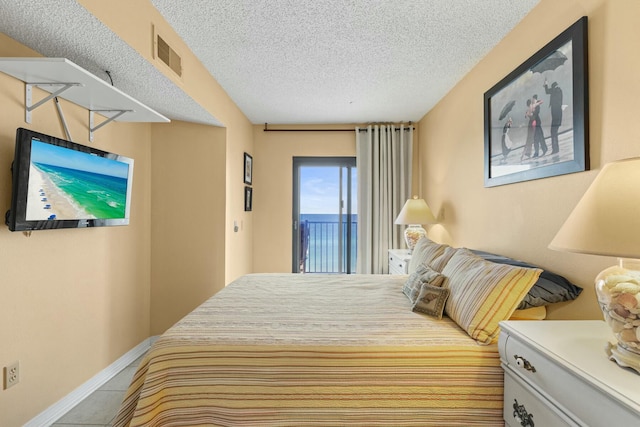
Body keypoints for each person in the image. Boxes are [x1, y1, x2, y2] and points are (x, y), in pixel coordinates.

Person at [544, 81, 563, 154]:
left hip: (556, 116)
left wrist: (546, 84)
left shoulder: (556, 90)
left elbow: (547, 91)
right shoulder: (558, 91)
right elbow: (548, 91)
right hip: (557, 116)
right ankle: (555, 149)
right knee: (554, 132)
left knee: (553, 132)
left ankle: (555, 149)